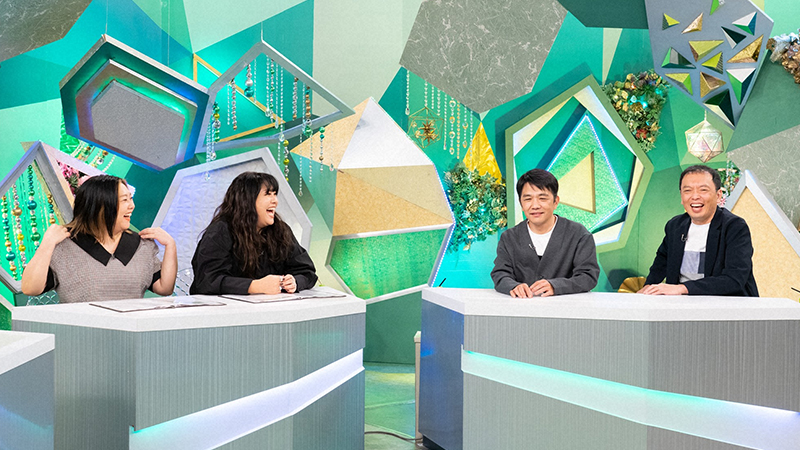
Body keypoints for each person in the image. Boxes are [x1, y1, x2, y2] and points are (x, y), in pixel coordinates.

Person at [21, 175, 177, 302]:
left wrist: (171, 245)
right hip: (81, 330)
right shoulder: (65, 245)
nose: (132, 206)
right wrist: (47, 244)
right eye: (124, 200)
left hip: (131, 329)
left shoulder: (142, 245)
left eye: (130, 199)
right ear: (100, 206)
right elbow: (30, 288)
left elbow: (164, 288)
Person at [639, 165, 758, 296]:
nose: (695, 196)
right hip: (680, 303)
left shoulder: (734, 227)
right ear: (681, 197)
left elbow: (734, 279)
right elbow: (661, 264)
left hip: (725, 303)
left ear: (718, 195)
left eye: (703, 190)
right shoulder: (675, 226)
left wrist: (683, 288)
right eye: (687, 190)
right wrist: (648, 288)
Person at [190, 172, 317, 295]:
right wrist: (255, 286)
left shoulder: (280, 230)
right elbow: (206, 281)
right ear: (247, 200)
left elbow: (307, 271)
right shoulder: (221, 231)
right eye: (268, 194)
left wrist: (295, 282)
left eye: (275, 194)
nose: (275, 201)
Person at [491, 168, 599, 297]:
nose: (535, 205)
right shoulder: (509, 237)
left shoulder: (578, 234)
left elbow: (588, 276)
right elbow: (500, 274)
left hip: (566, 306)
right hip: (522, 306)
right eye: (528, 199)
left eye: (542, 198)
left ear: (555, 202)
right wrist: (514, 286)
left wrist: (556, 286)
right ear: (521, 203)